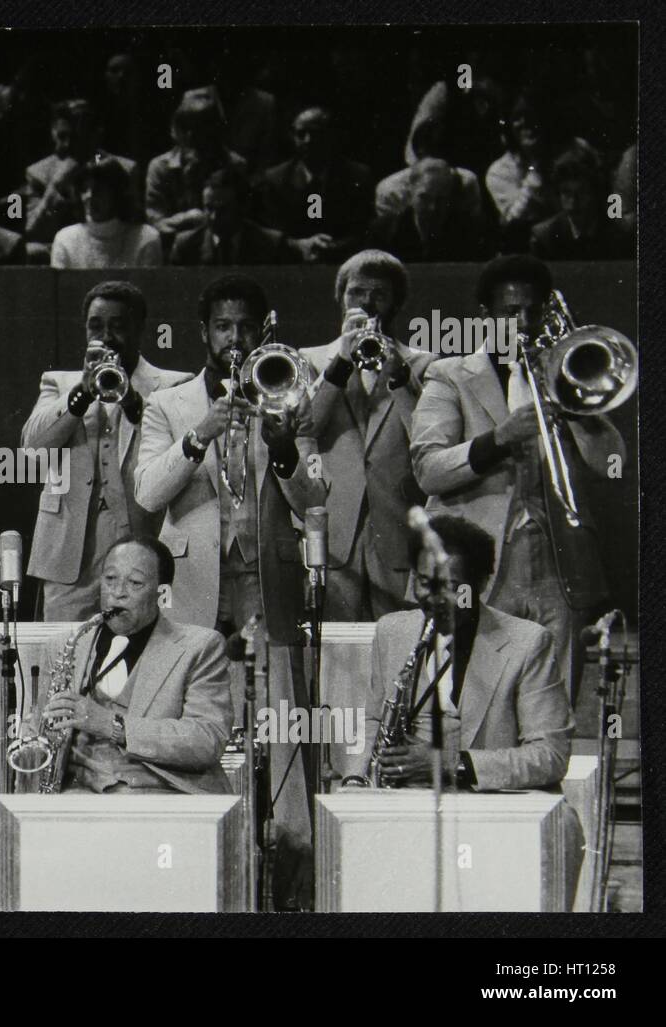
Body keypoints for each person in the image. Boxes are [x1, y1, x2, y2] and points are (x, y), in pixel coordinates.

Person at [133, 274, 323, 909]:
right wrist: (200, 435)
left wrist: (285, 448)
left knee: (278, 723)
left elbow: (315, 498)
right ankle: (193, 867)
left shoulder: (289, 390)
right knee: (191, 721)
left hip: (264, 581)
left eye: (245, 327)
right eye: (222, 327)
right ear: (204, 333)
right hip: (191, 586)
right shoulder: (170, 403)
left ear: (261, 329)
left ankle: (288, 871)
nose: (234, 339)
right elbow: (148, 493)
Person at [410, 255, 626, 702]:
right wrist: (498, 439)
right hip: (481, 563)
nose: (523, 323)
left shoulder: (563, 377)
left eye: (532, 311)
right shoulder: (450, 375)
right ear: (487, 317)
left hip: (557, 563)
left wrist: (577, 407)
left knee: (554, 703)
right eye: (511, 313)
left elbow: (610, 465)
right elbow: (429, 469)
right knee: (476, 701)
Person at [345, 515, 582, 909]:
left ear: (482, 585)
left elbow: (550, 756)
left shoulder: (528, 644)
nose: (434, 598)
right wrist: (355, 783)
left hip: (490, 808)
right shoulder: (392, 631)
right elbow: (372, 719)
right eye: (425, 582)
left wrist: (451, 765)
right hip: (407, 804)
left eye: (453, 588)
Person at [23, 280, 189, 620]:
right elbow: (32, 448)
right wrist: (80, 395)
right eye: (96, 326)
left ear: (140, 329)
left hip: (141, 540)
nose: (106, 336)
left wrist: (132, 402)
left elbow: (176, 461)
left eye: (118, 326)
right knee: (65, 659)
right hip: (68, 552)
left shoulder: (173, 384)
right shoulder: (59, 384)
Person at [21, 537, 233, 795]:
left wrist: (111, 725)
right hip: (78, 793)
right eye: (110, 579)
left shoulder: (201, 647)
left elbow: (206, 740)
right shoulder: (64, 645)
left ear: (161, 592)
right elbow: (39, 729)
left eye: (135, 583)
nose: (118, 592)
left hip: (163, 795)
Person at [298, 250, 435, 620]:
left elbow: (426, 436)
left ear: (397, 304)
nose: (367, 304)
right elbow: (304, 426)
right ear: (341, 298)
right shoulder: (310, 361)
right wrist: (341, 363)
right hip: (333, 533)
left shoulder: (424, 364)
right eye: (356, 293)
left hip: (397, 533)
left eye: (380, 294)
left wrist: (399, 376)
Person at [252, 106, 374, 263]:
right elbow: (272, 234)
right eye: (301, 134)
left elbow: (365, 230)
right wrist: (299, 245)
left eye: (316, 134)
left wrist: (332, 246)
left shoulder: (357, 177)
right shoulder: (276, 180)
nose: (308, 141)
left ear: (330, 136)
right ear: (292, 136)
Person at [484, 89, 599, 253]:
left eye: (530, 115)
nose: (525, 123)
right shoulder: (499, 171)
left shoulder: (576, 149)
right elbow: (513, 221)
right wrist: (536, 167)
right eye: (517, 118)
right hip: (528, 245)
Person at [23, 99, 138, 247]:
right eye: (62, 136)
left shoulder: (125, 168)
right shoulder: (38, 173)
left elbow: (133, 224)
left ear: (96, 134)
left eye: (75, 137)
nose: (67, 145)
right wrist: (57, 185)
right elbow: (33, 232)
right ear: (52, 132)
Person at [144, 96, 249, 250]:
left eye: (207, 134)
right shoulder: (160, 168)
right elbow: (155, 224)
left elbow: (243, 223)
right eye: (192, 133)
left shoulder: (235, 165)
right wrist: (189, 218)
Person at [170, 164, 295, 266]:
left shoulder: (271, 245)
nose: (214, 217)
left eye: (223, 210)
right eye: (209, 208)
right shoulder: (186, 246)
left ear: (243, 207)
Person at [372, 158, 493, 262]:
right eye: (424, 198)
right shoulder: (384, 231)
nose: (432, 208)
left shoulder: (473, 231)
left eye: (440, 200)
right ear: (411, 192)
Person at [50, 157, 162, 269]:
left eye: (98, 189)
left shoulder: (146, 238)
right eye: (84, 189)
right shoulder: (65, 240)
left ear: (117, 193)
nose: (89, 196)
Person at [529, 149, 633, 260]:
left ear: (595, 193)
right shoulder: (545, 238)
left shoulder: (620, 235)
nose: (572, 204)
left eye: (582, 193)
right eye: (566, 193)